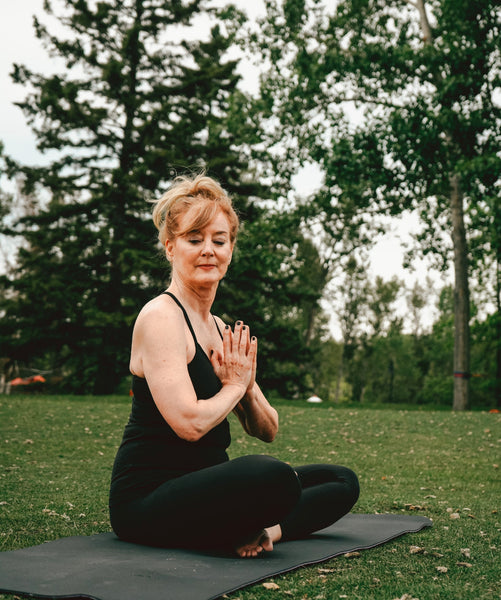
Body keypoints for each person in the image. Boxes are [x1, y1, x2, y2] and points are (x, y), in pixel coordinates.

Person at [109, 173, 359, 558]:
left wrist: (245, 388)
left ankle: (262, 531)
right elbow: (189, 424)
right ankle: (233, 527)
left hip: (209, 487)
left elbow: (268, 429)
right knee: (273, 476)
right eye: (195, 240)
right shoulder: (161, 318)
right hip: (147, 498)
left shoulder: (221, 329)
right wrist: (233, 387)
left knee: (340, 480)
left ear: (231, 248)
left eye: (219, 240)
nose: (208, 250)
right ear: (170, 247)